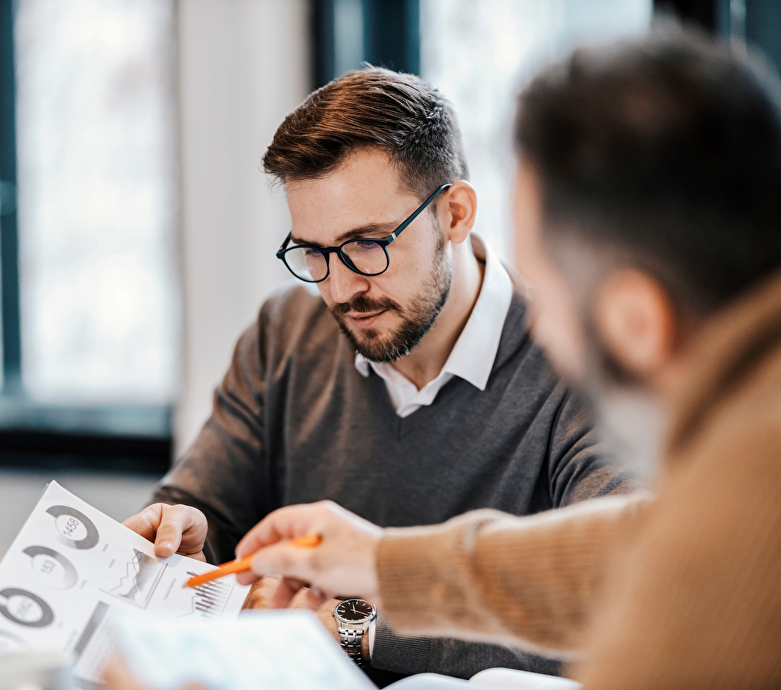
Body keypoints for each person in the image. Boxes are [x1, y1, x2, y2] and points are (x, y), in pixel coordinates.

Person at [232, 28, 781, 689]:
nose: (537, 329)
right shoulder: (747, 434)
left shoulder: (750, 492)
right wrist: (383, 564)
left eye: (547, 296)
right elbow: (630, 547)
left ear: (638, 320)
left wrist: (366, 611)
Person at [122, 68, 638, 679]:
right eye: (313, 252)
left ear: (455, 214)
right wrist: (184, 537)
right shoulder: (286, 333)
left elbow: (627, 603)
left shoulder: (579, 361)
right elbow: (202, 513)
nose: (340, 289)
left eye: (368, 243)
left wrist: (360, 630)